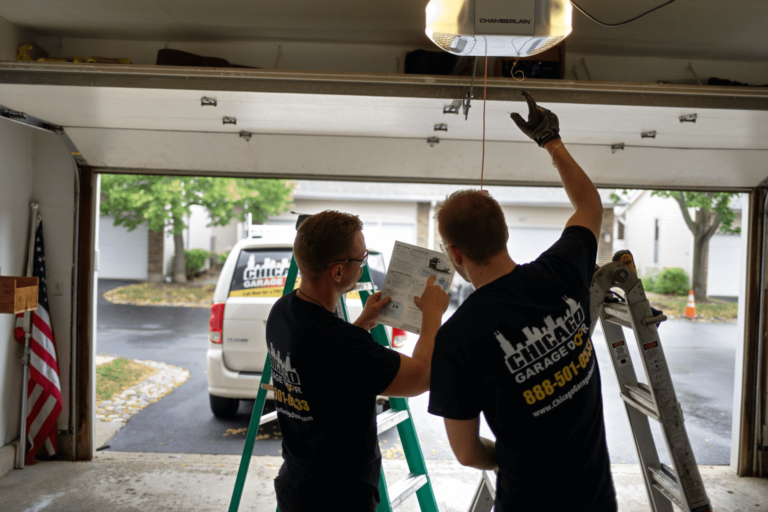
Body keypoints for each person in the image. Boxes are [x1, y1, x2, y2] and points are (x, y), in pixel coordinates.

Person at [428, 91, 617, 511]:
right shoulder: (562, 271)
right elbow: (590, 204)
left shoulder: (457, 337)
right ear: (505, 234)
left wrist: (512, 460)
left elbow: (465, 452)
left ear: (455, 255)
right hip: (597, 500)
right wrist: (551, 141)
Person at [266, 210, 450, 511]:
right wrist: (433, 315)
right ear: (338, 272)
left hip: (297, 485)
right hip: (339, 497)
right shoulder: (340, 343)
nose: (364, 264)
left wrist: (362, 323)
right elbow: (422, 377)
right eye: (361, 259)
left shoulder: (283, 311)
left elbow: (321, 364)